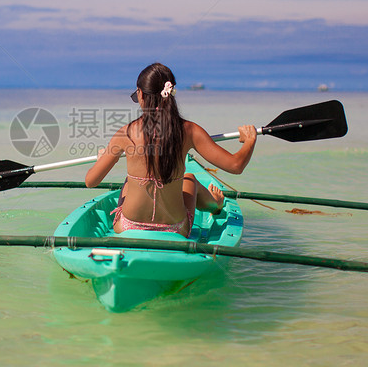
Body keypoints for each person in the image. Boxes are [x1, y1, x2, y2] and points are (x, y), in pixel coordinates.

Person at [85, 62, 257, 237]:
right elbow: (236, 166)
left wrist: (103, 159)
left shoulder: (125, 133)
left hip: (128, 226)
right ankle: (216, 204)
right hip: (176, 229)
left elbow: (91, 181)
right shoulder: (190, 131)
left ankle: (213, 203)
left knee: (130, 182)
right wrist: (249, 140)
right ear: (171, 93)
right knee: (189, 178)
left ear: (140, 94)